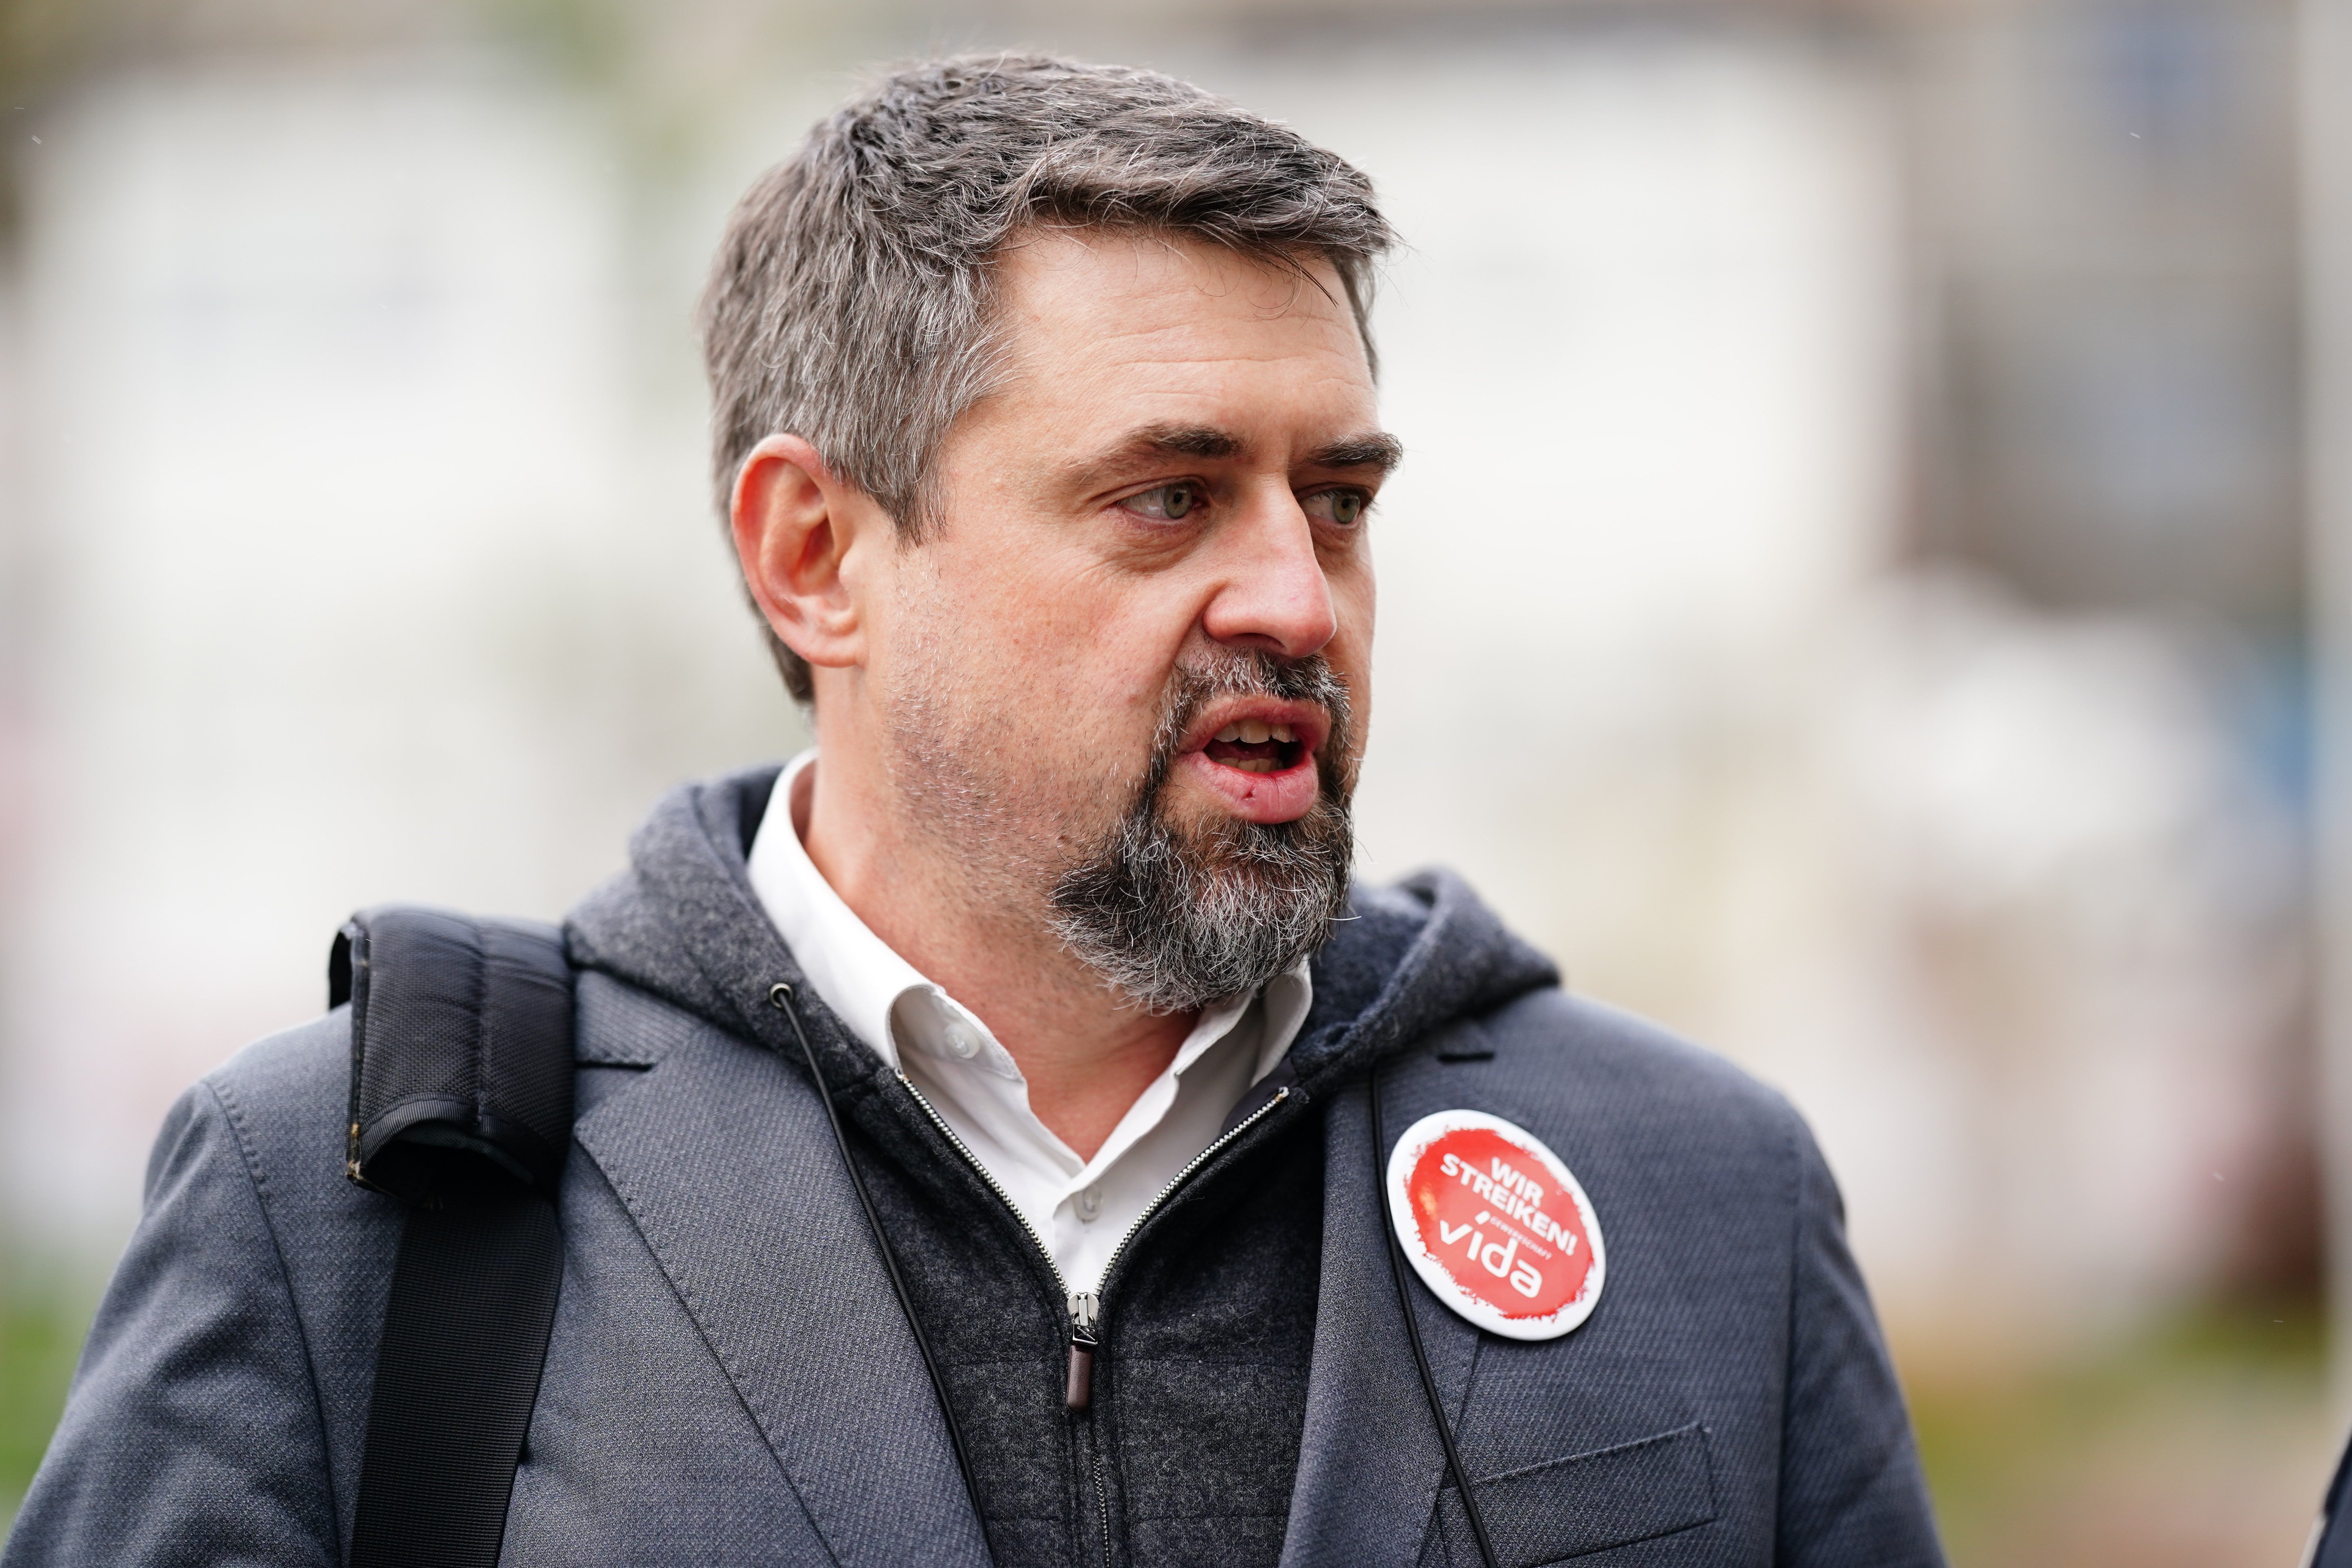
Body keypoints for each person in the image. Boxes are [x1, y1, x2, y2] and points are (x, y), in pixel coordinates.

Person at [4, 54, 1945, 1568]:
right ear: (814, 552)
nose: (1294, 597)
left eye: (1336, 500)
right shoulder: (362, 1207)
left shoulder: (1700, 1199)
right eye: (1168, 497)